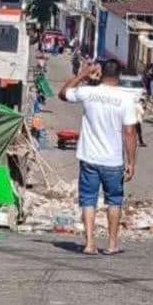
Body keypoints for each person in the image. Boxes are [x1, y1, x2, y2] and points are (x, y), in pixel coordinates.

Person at [59, 59, 138, 256]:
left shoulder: (88, 92)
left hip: (89, 157)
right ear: (118, 76)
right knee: (114, 200)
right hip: (113, 161)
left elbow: (63, 94)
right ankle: (111, 244)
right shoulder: (126, 99)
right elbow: (129, 132)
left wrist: (83, 75)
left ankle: (90, 243)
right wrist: (131, 162)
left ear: (101, 73)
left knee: (88, 199)